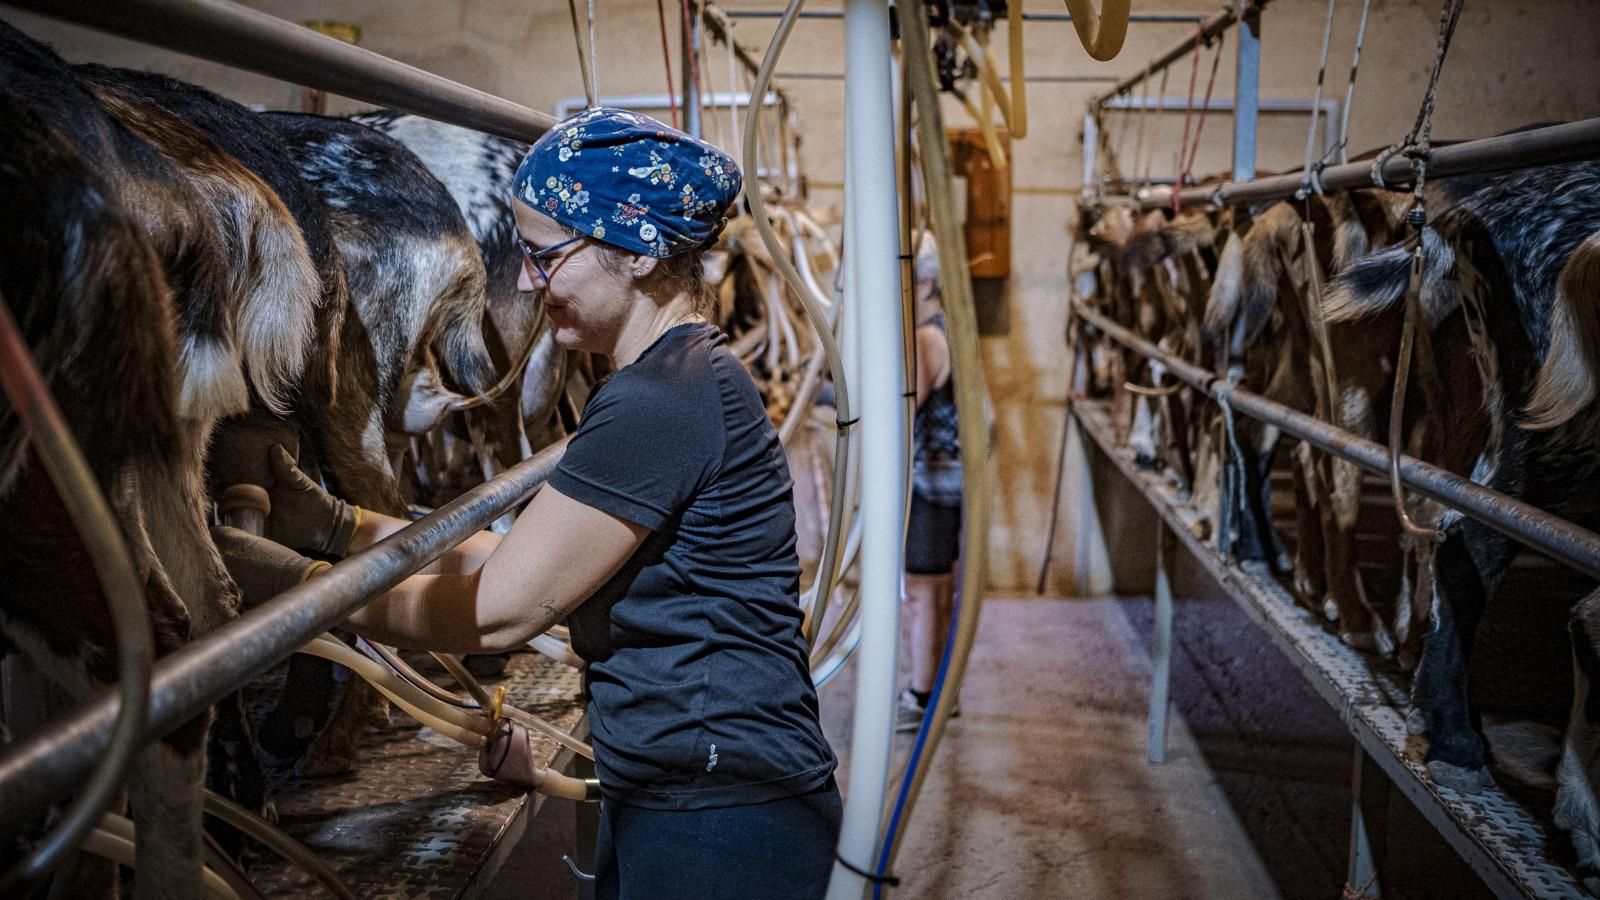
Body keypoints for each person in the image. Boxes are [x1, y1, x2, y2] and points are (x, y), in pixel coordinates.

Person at [214, 107, 840, 900]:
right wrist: (337, 525)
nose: (523, 281)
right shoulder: (669, 380)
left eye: (545, 257)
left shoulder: (661, 403)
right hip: (688, 782)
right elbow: (521, 559)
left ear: (638, 253)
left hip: (719, 813)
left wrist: (287, 592)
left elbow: (498, 613)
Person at [897, 233, 964, 733]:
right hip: (951, 483)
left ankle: (922, 696)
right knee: (939, 587)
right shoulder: (950, 329)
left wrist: (831, 397)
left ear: (923, 281)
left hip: (929, 482)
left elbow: (900, 411)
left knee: (922, 591)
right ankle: (939, 689)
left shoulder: (925, 338)